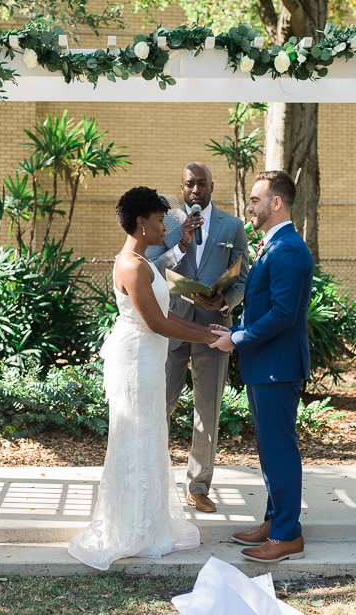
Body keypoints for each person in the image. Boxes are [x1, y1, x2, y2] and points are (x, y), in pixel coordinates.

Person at [68, 186, 220, 570]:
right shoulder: (133, 265)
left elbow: (166, 303)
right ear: (141, 223)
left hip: (147, 358)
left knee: (150, 433)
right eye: (158, 220)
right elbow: (157, 322)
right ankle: (131, 526)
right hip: (136, 361)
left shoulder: (142, 260)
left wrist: (207, 324)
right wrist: (209, 337)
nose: (164, 227)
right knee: (137, 435)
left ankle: (148, 522)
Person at [209, 170, 313, 563]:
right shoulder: (275, 244)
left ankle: (288, 535)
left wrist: (235, 339)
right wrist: (234, 328)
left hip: (277, 366)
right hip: (266, 363)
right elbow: (265, 309)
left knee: (280, 450)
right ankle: (274, 520)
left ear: (276, 203)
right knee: (270, 451)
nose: (248, 206)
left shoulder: (286, 249)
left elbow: (284, 314)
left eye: (255, 200)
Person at [147, 163, 249, 513]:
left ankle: (199, 486)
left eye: (201, 184)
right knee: (161, 405)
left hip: (212, 328)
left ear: (211, 186)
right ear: (181, 185)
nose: (195, 190)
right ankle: (151, 479)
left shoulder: (232, 226)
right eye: (189, 184)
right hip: (171, 324)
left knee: (207, 410)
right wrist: (180, 245)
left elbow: (243, 278)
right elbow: (148, 267)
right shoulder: (168, 223)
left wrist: (225, 300)